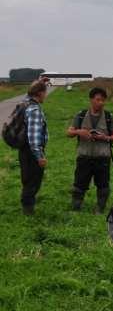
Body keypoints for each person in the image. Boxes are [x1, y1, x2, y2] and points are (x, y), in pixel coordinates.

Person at [67, 86, 113, 212]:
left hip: (103, 158)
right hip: (84, 156)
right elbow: (69, 132)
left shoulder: (109, 117)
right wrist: (80, 132)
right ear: (91, 100)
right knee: (79, 184)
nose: (101, 103)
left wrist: (105, 138)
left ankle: (100, 208)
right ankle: (76, 207)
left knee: (103, 185)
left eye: (103, 100)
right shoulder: (80, 115)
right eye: (98, 100)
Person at [20, 79, 49, 215]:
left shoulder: (25, 103)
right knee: (33, 181)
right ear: (39, 93)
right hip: (32, 151)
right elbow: (33, 137)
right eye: (45, 92)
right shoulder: (34, 110)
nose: (46, 95)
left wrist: (38, 82)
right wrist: (40, 156)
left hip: (24, 150)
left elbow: (28, 93)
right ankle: (28, 211)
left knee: (27, 179)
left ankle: (27, 207)